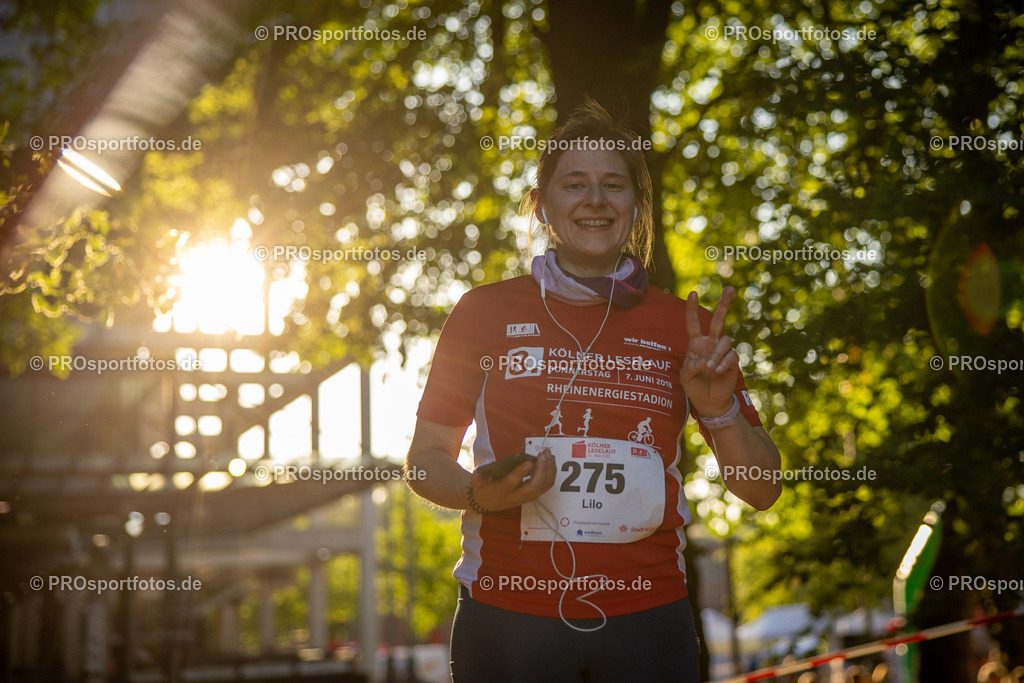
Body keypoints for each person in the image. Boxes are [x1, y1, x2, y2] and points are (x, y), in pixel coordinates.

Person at [405, 98, 782, 682]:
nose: (596, 201)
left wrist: (721, 410)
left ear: (636, 203)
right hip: (507, 612)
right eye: (574, 184)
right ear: (541, 204)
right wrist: (479, 495)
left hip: (648, 615)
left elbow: (762, 490)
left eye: (614, 185)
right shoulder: (483, 312)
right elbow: (426, 459)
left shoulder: (684, 325)